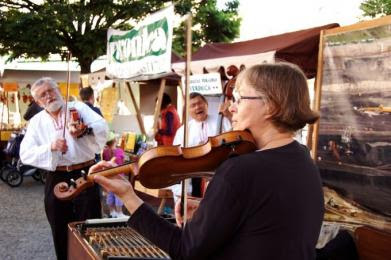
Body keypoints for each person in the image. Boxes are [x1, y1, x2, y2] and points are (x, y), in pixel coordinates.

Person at [92, 62, 324, 259]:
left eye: (239, 98)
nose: (231, 107)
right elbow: (267, 226)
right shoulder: (303, 159)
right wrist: (210, 208)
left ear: (271, 106)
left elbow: (184, 249)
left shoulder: (241, 170)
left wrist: (127, 195)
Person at [19, 77, 108, 260]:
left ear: (58, 89)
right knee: (59, 226)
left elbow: (102, 127)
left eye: (51, 90)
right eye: (43, 95)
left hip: (85, 173)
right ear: (38, 102)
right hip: (56, 177)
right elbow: (25, 153)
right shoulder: (36, 122)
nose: (49, 96)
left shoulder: (79, 108)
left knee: (90, 224)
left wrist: (84, 130)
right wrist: (50, 147)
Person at [171, 92, 231, 199]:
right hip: (195, 176)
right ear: (188, 111)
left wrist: (229, 116)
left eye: (200, 103)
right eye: (192, 105)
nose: (197, 107)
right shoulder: (183, 131)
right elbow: (176, 160)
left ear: (206, 104)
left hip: (221, 172)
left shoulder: (222, 120)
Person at [101, 132, 127, 218]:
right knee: (119, 194)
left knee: (110, 194)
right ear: (115, 141)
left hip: (109, 177)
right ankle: (119, 213)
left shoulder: (104, 152)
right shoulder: (120, 151)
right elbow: (123, 161)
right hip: (118, 177)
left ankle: (112, 212)